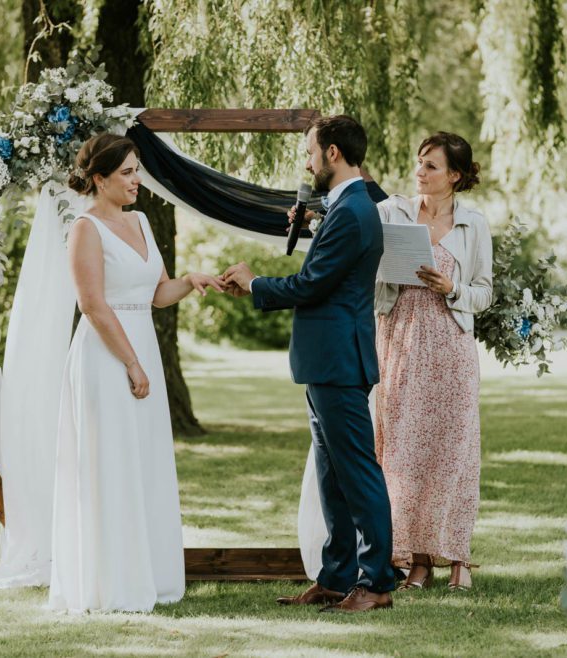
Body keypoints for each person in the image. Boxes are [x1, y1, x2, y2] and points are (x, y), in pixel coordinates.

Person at [223, 115, 398, 613]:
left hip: (340, 360)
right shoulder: (344, 206)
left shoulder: (353, 212)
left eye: (310, 152)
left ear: (333, 153)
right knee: (332, 476)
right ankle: (337, 576)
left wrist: (255, 283)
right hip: (326, 360)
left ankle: (377, 582)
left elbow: (312, 284)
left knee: (357, 473)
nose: (307, 162)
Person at [47, 134, 224, 612]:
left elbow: (156, 293)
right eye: (126, 172)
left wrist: (189, 281)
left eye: (137, 170)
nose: (136, 180)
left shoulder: (141, 221)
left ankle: (149, 575)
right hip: (106, 354)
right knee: (111, 460)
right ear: (99, 179)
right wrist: (129, 361)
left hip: (140, 342)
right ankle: (110, 582)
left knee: (143, 458)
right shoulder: (85, 229)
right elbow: (92, 304)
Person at [374, 131, 492, 591]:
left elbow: (484, 292)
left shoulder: (473, 224)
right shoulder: (392, 212)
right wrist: (310, 218)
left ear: (455, 176)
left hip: (451, 345)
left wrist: (453, 288)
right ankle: (417, 560)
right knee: (404, 452)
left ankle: (458, 556)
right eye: (419, 162)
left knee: (453, 451)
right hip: (401, 339)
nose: (419, 172)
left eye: (431, 166)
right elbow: (347, 231)